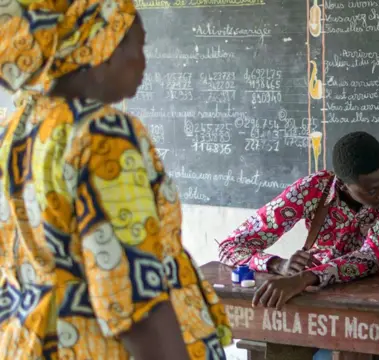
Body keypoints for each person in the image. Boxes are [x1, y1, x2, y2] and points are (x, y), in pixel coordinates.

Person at [0, 2, 231, 359]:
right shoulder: (101, 132)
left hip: (29, 340)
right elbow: (132, 298)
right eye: (137, 46)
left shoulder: (14, 129)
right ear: (102, 49)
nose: (142, 62)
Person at [219, 131, 379, 308]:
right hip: (315, 296)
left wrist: (306, 278)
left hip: (375, 296)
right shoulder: (311, 189)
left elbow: (375, 256)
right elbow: (230, 246)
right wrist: (277, 264)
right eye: (372, 190)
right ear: (342, 184)